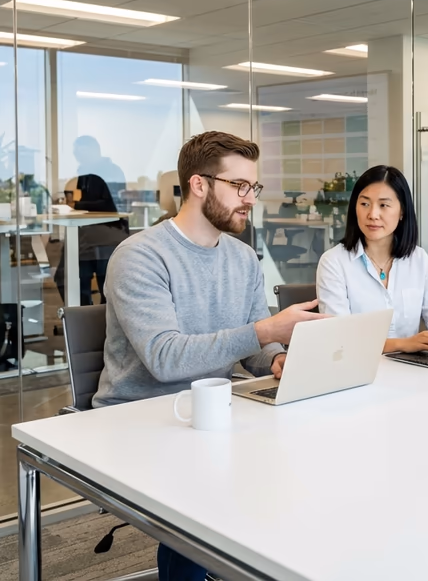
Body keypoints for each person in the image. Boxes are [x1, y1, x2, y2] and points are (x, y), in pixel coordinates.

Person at [94, 131, 329, 581]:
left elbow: (255, 346)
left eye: (253, 187)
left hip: (215, 411)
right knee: (209, 491)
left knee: (308, 461)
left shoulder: (242, 258)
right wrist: (265, 331)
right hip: (140, 418)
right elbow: (165, 358)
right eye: (239, 186)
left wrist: (275, 358)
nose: (250, 199)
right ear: (199, 184)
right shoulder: (140, 256)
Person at [316, 165, 428, 353]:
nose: (373, 215)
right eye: (365, 204)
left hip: (409, 366)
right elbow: (341, 337)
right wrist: (401, 344)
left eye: (383, 205)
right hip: (358, 367)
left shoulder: (418, 259)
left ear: (402, 211)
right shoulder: (333, 262)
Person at [54, 173, 128, 306]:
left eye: (70, 194)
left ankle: (84, 313)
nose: (68, 198)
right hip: (99, 244)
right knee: (107, 288)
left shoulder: (85, 211)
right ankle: (93, 313)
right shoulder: (107, 209)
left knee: (70, 280)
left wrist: (76, 205)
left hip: (91, 245)